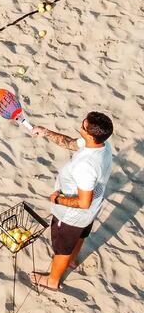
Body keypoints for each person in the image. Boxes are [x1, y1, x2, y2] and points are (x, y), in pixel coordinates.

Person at [28, 112, 114, 291]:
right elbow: (72, 143)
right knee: (80, 235)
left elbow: (84, 202)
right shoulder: (103, 145)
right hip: (90, 214)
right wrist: (45, 132)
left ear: (90, 135)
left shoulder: (86, 166)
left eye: (83, 126)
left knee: (62, 250)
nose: (80, 125)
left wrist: (59, 199)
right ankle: (73, 259)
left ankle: (52, 281)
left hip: (71, 216)